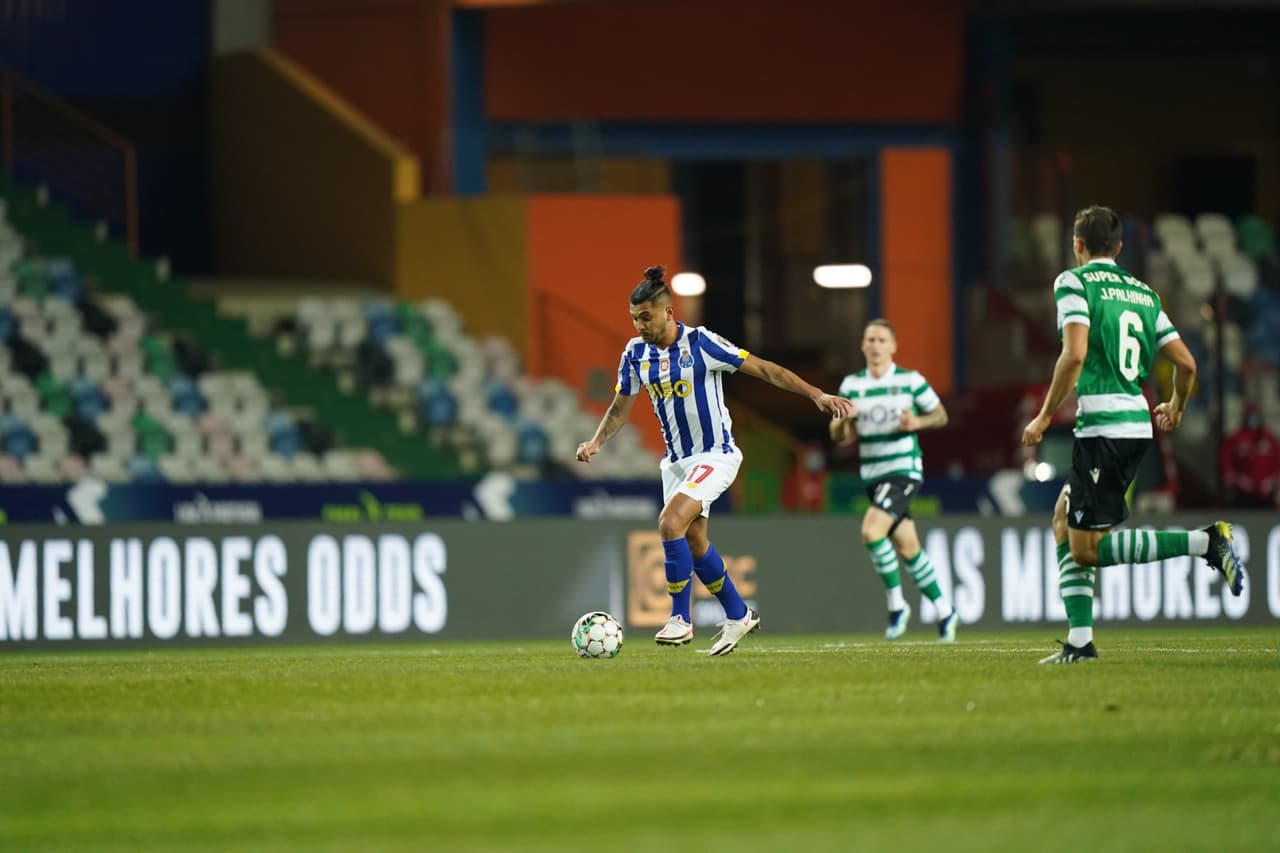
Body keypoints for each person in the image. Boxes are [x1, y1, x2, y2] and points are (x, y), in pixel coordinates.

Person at [576, 265, 855, 656]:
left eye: (646, 317)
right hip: (675, 464)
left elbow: (766, 370)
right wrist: (596, 440)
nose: (639, 325)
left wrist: (816, 395)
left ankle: (679, 619)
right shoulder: (635, 354)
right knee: (693, 539)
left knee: (670, 522)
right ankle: (739, 614)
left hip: (715, 454)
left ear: (668, 312)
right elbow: (620, 407)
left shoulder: (702, 344)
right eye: (634, 319)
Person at [1022, 205, 1246, 664]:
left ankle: (1207, 541)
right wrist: (1177, 407)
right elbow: (1187, 364)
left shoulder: (1073, 282)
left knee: (1086, 549)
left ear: (1078, 245)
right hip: (1136, 425)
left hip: (1104, 427)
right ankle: (1080, 642)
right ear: (1120, 248)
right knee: (1065, 520)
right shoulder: (1145, 294)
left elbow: (1074, 353)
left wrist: (1044, 416)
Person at [829, 319, 959, 643]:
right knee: (908, 547)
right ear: (862, 346)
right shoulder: (851, 386)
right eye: (870, 339)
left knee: (871, 531)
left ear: (893, 346)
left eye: (881, 340)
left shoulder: (910, 381)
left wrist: (918, 420)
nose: (875, 345)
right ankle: (945, 609)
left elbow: (941, 415)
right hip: (873, 475)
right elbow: (837, 435)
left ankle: (897, 605)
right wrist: (844, 421)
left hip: (903, 469)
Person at [1219, 403, 1280, 509]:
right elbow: (1225, 465)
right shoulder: (1235, 439)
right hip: (1242, 493)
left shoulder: (1269, 438)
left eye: (1255, 415)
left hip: (1266, 493)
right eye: (1250, 416)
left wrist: (1271, 481)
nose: (1253, 419)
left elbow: (1277, 463)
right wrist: (1238, 480)